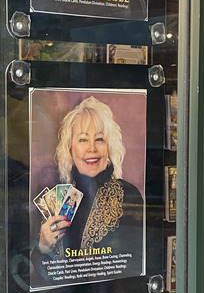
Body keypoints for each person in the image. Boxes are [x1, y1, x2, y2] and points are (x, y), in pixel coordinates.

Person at [32, 96, 144, 283]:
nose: (92, 148)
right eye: (83, 140)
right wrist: (42, 246)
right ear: (70, 148)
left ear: (109, 147)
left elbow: (135, 265)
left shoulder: (128, 194)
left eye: (99, 139)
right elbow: (36, 278)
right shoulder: (55, 197)